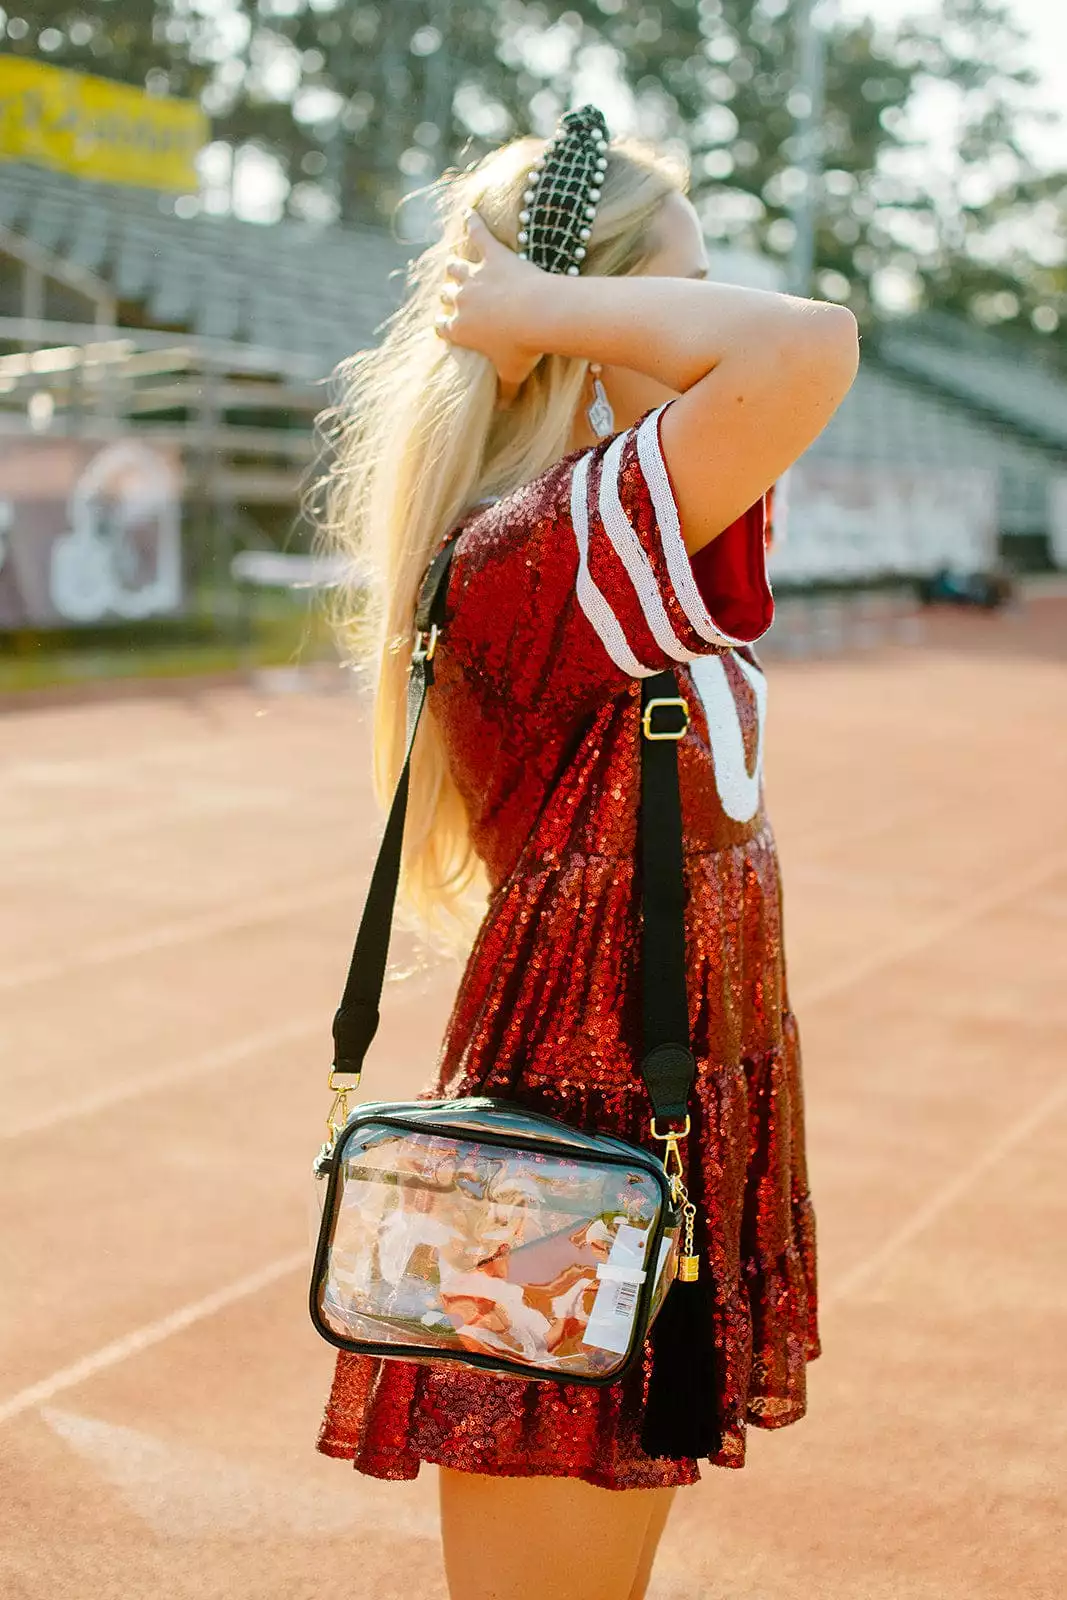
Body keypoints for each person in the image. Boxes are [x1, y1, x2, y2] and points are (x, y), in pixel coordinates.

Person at [316, 106, 859, 1600]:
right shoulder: (544, 546)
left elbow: (772, 365)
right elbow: (807, 344)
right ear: (583, 314)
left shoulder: (624, 521)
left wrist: (563, 315)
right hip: (586, 1121)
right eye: (676, 287)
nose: (695, 328)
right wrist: (539, 312)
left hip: (657, 1093)